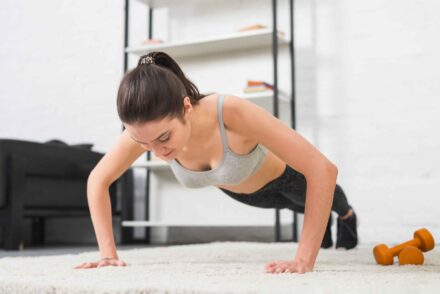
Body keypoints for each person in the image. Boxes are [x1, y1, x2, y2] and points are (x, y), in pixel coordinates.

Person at [74, 51, 358, 274]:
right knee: (297, 208)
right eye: (143, 144)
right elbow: (98, 180)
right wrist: (107, 255)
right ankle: (326, 230)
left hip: (288, 177)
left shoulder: (230, 112)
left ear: (186, 107)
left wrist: (303, 261)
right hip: (244, 193)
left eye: (163, 138)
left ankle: (347, 217)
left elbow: (323, 169)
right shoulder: (144, 130)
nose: (157, 152)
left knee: (328, 200)